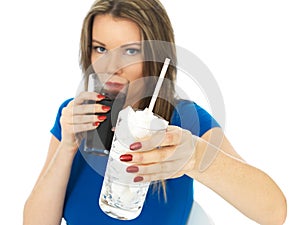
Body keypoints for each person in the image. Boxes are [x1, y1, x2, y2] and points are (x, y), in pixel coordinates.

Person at [23, 0, 287, 225]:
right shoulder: (74, 115)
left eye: (130, 50)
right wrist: (67, 145)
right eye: (100, 48)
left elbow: (274, 212)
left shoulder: (184, 119)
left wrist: (194, 157)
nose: (111, 67)